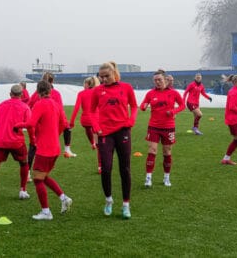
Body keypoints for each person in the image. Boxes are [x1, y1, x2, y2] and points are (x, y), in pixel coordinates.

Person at [14, 80, 72, 221]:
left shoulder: (40, 104)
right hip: (55, 148)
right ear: (50, 91)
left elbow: (31, 124)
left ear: (38, 92)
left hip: (44, 149)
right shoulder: (56, 105)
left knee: (37, 179)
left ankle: (46, 212)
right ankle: (64, 198)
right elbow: (65, 124)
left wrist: (17, 125)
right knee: (43, 176)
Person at [90, 61, 138, 219]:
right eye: (101, 76)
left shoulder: (126, 87)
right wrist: (96, 127)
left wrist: (131, 120)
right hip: (105, 134)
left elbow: (134, 106)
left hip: (123, 132)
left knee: (125, 169)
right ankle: (109, 200)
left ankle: (126, 205)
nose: (103, 79)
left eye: (106, 76)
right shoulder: (97, 91)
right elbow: (91, 111)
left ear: (114, 74)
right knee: (106, 168)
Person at [0, 84, 32, 207]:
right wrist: (33, 140)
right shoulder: (25, 107)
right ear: (22, 95)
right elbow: (29, 125)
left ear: (10, 94)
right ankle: (23, 190)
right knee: (24, 162)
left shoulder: (1, 105)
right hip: (16, 141)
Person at [139, 70, 185, 188]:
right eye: (155, 80)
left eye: (159, 80)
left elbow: (182, 105)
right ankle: (148, 178)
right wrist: (143, 106)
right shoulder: (150, 93)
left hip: (168, 127)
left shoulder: (173, 93)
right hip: (153, 126)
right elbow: (143, 105)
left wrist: (173, 111)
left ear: (165, 80)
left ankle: (166, 177)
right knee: (152, 150)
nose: (157, 82)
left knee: (167, 152)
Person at [28, 72, 75, 158]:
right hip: (52, 124)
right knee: (66, 130)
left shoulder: (36, 94)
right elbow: (61, 110)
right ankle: (67, 149)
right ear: (52, 81)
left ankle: (28, 170)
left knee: (33, 145)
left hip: (38, 125)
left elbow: (29, 105)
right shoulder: (56, 93)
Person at [69, 76, 102, 173]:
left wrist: (71, 121)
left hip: (85, 120)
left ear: (88, 84)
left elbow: (76, 108)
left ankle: (92, 143)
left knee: (87, 128)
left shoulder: (81, 93)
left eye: (84, 84)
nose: (83, 85)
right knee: (99, 145)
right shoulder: (97, 92)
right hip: (96, 120)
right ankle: (100, 166)